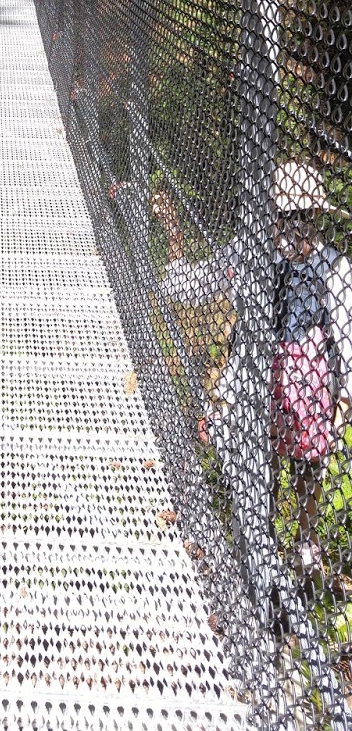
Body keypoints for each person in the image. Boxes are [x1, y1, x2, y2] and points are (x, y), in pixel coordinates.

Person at [157, 161, 352, 577]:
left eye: (302, 216)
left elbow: (347, 335)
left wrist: (343, 404)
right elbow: (192, 286)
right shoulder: (248, 253)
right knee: (257, 463)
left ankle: (303, 547)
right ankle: (255, 547)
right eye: (284, 215)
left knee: (306, 469)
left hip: (306, 386)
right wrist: (174, 234)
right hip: (255, 379)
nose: (293, 226)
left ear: (316, 217)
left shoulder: (333, 267)